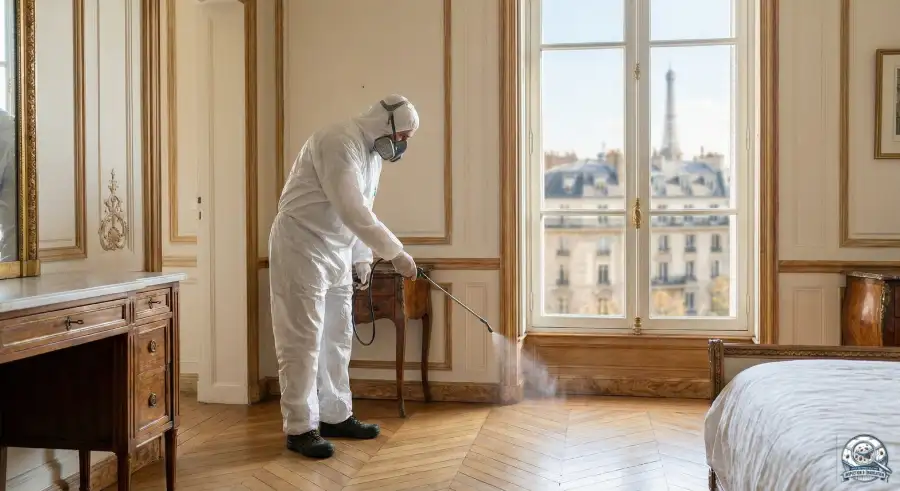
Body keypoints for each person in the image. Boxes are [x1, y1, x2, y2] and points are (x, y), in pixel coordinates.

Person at [268, 94, 419, 459]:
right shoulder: (338, 140)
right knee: (302, 341)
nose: (402, 146)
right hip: (301, 245)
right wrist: (395, 252)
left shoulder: (371, 157)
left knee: (337, 337)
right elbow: (349, 206)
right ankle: (300, 427)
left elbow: (362, 209)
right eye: (402, 137)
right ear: (387, 126)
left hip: (335, 250)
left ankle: (336, 414)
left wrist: (362, 259)